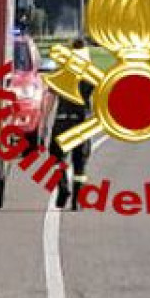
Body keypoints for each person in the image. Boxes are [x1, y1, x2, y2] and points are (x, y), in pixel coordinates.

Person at [51, 38, 94, 210]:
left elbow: (51, 95)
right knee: (80, 163)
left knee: (57, 158)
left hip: (62, 119)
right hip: (81, 121)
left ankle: (62, 187)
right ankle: (77, 200)